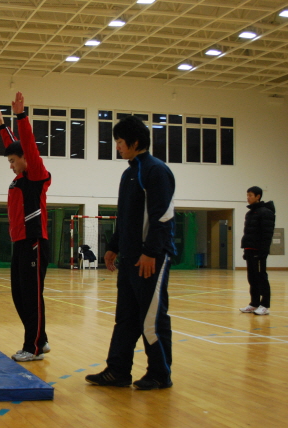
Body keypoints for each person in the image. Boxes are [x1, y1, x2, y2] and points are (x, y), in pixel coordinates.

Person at [85, 115, 176, 390]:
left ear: (135, 143)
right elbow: (125, 216)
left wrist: (150, 252)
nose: (117, 147)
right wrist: (114, 247)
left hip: (150, 259)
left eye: (120, 142)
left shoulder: (156, 171)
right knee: (125, 318)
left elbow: (163, 217)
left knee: (151, 319)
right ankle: (118, 371)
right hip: (129, 258)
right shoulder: (129, 173)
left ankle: (160, 374)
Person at [0, 92, 52, 362]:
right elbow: (15, 146)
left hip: (34, 242)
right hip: (19, 242)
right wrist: (2, 127)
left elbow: (27, 145)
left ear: (25, 159)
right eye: (8, 161)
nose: (10, 166)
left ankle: (33, 347)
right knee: (19, 295)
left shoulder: (36, 175)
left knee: (31, 297)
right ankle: (40, 339)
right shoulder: (19, 177)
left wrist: (20, 116)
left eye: (12, 161)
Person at [239, 186, 275, 316]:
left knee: (261, 277)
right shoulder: (250, 213)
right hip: (250, 250)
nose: (248, 197)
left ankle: (264, 305)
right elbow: (248, 233)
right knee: (252, 278)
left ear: (258, 196)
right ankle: (254, 303)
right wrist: (245, 249)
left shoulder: (266, 212)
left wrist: (263, 250)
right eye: (247, 195)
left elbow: (267, 233)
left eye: (250, 195)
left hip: (259, 251)